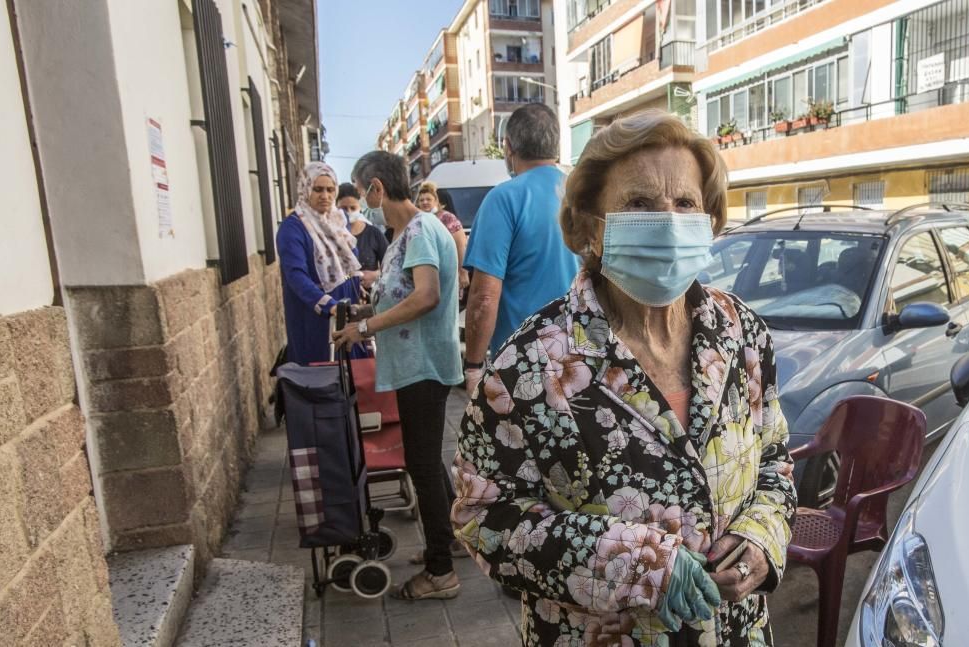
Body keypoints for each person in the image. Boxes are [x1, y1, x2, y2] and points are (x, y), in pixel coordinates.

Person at [452, 111, 796, 646]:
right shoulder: (530, 364)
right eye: (639, 204)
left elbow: (775, 461)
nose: (668, 220)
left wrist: (760, 542)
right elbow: (482, 516)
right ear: (592, 225)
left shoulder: (742, 334)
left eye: (685, 203)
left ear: (708, 219)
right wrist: (633, 563)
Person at [334, 151, 463, 601]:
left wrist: (367, 327)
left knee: (423, 466)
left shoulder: (422, 230)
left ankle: (441, 572)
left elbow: (427, 296)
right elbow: (403, 297)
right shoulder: (405, 235)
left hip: (423, 367)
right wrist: (366, 312)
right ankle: (448, 542)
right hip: (415, 364)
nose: (361, 203)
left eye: (361, 190)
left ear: (376, 188)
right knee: (428, 463)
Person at [462, 103, 579, 394]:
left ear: (508, 146)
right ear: (556, 144)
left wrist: (474, 366)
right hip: (579, 358)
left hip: (523, 364)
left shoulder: (503, 198)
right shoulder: (581, 194)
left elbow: (484, 296)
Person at [276, 162, 368, 364]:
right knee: (322, 375)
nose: (325, 196)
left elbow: (348, 262)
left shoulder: (337, 220)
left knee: (352, 372)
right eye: (318, 189)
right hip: (316, 314)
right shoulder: (293, 228)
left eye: (330, 189)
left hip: (346, 305)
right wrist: (329, 307)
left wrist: (357, 285)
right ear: (305, 189)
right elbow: (296, 276)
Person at [417, 181, 471, 294]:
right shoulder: (418, 220)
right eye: (421, 200)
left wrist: (463, 272)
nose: (425, 202)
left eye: (428, 199)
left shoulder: (447, 217)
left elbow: (461, 244)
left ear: (436, 201)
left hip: (448, 271)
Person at [338, 182, 388, 291]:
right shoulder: (329, 236)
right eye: (344, 208)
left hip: (370, 301)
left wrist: (375, 275)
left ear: (360, 207)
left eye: (353, 208)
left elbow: (392, 266)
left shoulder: (374, 233)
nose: (349, 212)